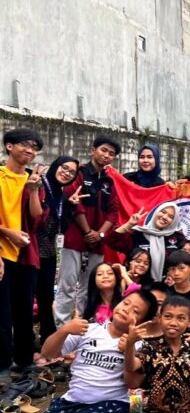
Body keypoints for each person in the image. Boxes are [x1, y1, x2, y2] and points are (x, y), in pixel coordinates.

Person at [15, 290, 158, 413]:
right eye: (126, 303)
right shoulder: (88, 329)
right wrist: (64, 330)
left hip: (107, 405)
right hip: (71, 402)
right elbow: (48, 353)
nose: (126, 309)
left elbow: (132, 383)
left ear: (142, 322)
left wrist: (129, 348)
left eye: (136, 311)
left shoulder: (141, 346)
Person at [54, 134, 120, 326]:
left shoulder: (109, 182)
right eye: (103, 150)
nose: (106, 155)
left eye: (111, 153)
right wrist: (87, 232)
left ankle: (84, 326)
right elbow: (76, 204)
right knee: (67, 285)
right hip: (74, 240)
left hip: (97, 244)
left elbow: (113, 212)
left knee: (90, 286)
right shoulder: (79, 174)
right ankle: (62, 328)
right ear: (93, 150)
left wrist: (100, 234)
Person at [0, 128, 45, 376]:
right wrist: (8, 232)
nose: (30, 151)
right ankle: (3, 367)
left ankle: (25, 362)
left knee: (24, 311)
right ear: (9, 146)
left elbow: (37, 219)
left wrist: (34, 190)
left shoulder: (33, 179)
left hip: (27, 255)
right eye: (25, 145)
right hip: (2, 254)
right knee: (2, 314)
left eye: (35, 148)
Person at [36, 155, 79, 346]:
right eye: (64, 167)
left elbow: (63, 226)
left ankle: (47, 340)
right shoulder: (39, 185)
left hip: (49, 253)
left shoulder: (62, 196)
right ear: (55, 166)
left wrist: (70, 206)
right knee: (24, 298)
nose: (67, 173)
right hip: (29, 250)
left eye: (72, 172)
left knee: (46, 298)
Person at [106, 202, 185, 282]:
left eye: (171, 217)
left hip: (165, 285)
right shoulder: (138, 233)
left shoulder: (178, 238)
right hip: (135, 283)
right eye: (163, 212)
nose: (165, 217)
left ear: (174, 221)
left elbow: (184, 262)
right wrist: (129, 224)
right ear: (156, 212)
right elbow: (111, 240)